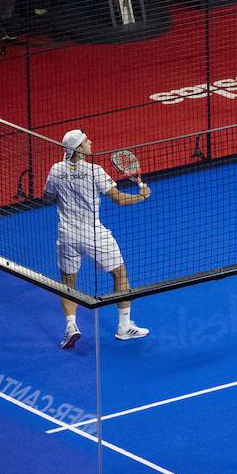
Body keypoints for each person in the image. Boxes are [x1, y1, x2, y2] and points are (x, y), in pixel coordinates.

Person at [42, 130, 152, 348]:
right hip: (94, 235)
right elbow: (119, 199)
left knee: (68, 284)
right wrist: (142, 195)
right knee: (119, 273)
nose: (90, 141)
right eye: (85, 141)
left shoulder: (56, 170)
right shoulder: (95, 171)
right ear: (78, 148)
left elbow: (46, 198)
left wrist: (65, 193)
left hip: (67, 235)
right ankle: (124, 326)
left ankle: (71, 325)